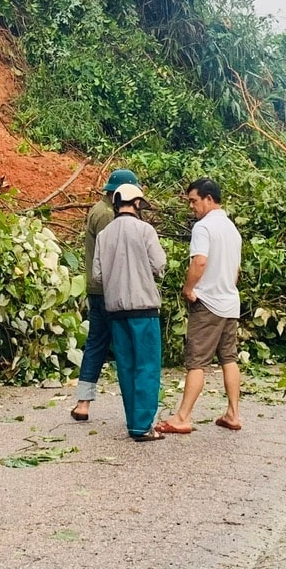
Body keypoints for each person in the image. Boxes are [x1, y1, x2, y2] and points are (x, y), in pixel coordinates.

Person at [156, 177, 243, 434]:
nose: (191, 206)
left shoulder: (203, 228)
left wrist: (188, 288)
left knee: (196, 361)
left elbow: (200, 262)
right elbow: (236, 270)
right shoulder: (232, 229)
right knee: (229, 358)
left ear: (208, 198)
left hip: (208, 304)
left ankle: (182, 417)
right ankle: (233, 413)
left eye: (194, 201)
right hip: (229, 301)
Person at [91, 182, 167, 441]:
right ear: (136, 204)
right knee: (147, 366)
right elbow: (159, 264)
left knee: (125, 366)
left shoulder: (104, 235)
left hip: (115, 310)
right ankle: (143, 425)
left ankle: (133, 421)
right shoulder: (146, 230)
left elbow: (97, 275)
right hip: (144, 308)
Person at [71, 168, 139, 422]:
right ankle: (134, 408)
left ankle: (83, 403)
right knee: (125, 346)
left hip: (95, 288)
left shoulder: (98, 210)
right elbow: (115, 254)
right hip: (110, 289)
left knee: (95, 345)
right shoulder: (109, 215)